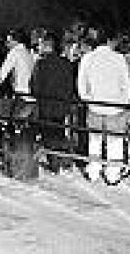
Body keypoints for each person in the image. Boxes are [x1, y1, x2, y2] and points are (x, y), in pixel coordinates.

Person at [77, 27, 130, 184]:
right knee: (115, 142)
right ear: (110, 41)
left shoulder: (87, 58)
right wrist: (123, 102)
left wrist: (88, 100)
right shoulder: (119, 58)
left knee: (94, 140)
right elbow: (126, 85)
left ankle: (93, 171)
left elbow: (81, 84)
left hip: (94, 105)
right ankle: (112, 174)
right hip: (115, 107)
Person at [29, 30, 75, 173]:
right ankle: (65, 160)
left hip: (46, 105)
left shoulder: (41, 64)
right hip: (62, 105)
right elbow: (71, 85)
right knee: (59, 131)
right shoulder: (66, 64)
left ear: (48, 45)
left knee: (48, 133)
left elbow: (35, 87)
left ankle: (55, 163)